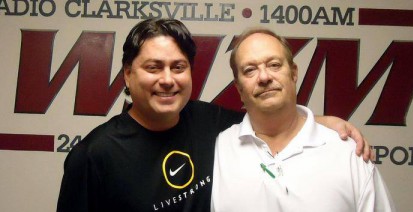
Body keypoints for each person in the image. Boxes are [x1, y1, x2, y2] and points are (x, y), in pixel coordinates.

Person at [57, 18, 371, 212]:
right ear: (128, 75)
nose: (168, 79)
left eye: (178, 67)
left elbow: (271, 116)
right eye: (153, 68)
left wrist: (322, 122)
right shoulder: (94, 155)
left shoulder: (210, 122)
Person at [211, 28, 395, 211]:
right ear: (239, 87)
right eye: (250, 70)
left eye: (274, 65)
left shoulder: (348, 154)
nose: (264, 77)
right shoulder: (218, 151)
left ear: (293, 73)